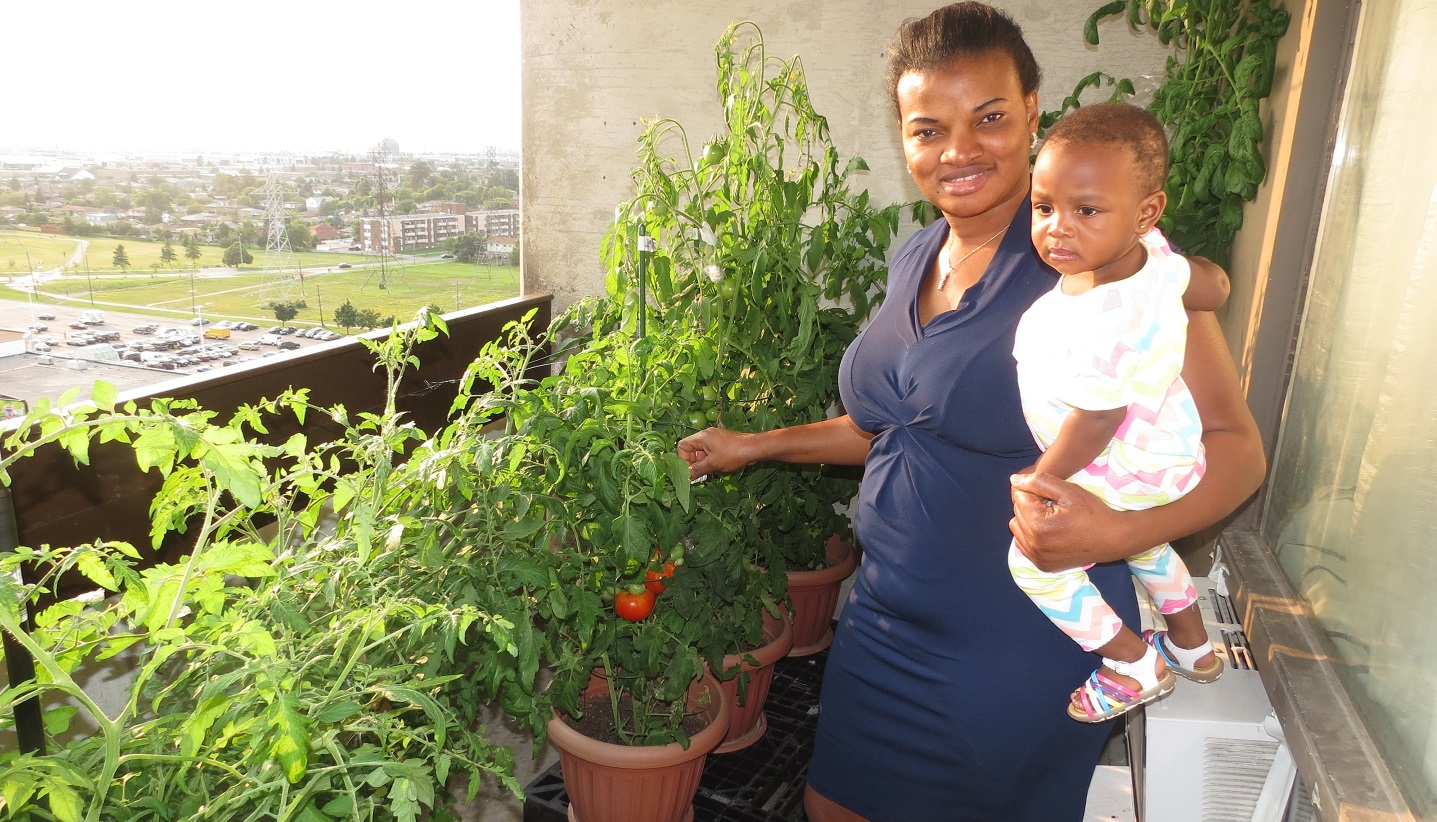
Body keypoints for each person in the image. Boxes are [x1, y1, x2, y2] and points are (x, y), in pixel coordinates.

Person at [677, 4, 1265, 819]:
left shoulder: (1112, 262)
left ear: (1032, 113)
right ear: (903, 137)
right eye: (927, 129)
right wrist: (754, 445)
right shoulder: (915, 253)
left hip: (1018, 639)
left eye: (988, 118)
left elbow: (1237, 446)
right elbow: (895, 427)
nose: (957, 150)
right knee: (831, 807)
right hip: (881, 618)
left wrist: (1120, 534)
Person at [1009, 102, 1230, 725]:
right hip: (1164, 455)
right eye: (1044, 206)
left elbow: (1098, 419)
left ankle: (1133, 664)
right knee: (1146, 542)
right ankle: (1193, 646)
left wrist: (1042, 481)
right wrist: (1186, 278)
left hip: (1118, 456)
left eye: (1086, 211)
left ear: (1146, 212)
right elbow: (1212, 287)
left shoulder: (1108, 316)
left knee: (1032, 564)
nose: (1057, 228)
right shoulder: (1153, 258)